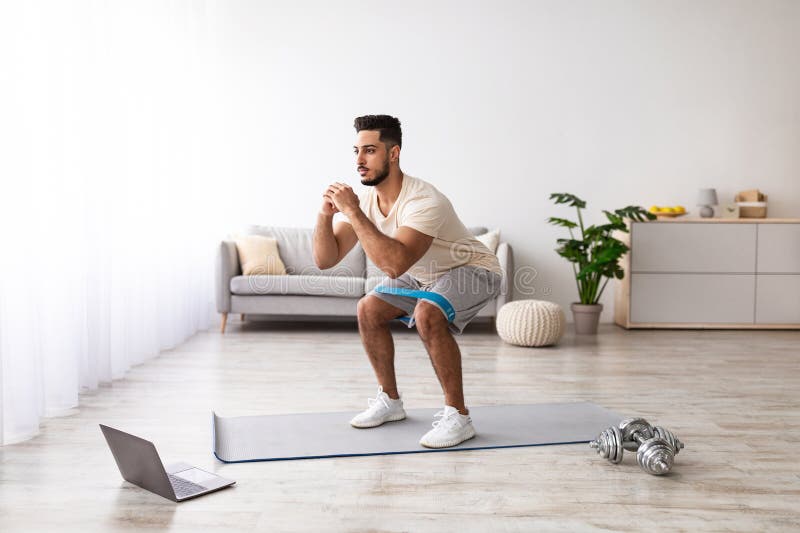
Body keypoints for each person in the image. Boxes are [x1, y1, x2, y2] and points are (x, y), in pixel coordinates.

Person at [312, 115, 503, 448]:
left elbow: (394, 264)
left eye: (369, 151)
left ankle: (458, 417)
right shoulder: (369, 201)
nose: (359, 161)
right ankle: (390, 401)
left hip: (475, 268)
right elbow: (325, 259)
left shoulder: (424, 200)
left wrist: (353, 213)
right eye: (356, 151)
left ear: (393, 153)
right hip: (426, 275)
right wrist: (325, 215)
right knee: (368, 308)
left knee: (428, 314)